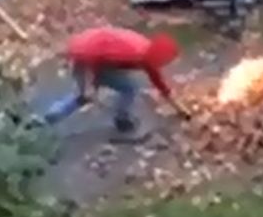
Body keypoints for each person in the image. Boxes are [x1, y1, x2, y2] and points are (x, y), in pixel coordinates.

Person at [42, 27, 191, 142]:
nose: (164, 65)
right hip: (84, 56)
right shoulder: (133, 52)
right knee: (83, 97)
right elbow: (89, 54)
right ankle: (43, 122)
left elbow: (160, 83)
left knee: (129, 87)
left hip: (102, 60)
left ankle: (121, 119)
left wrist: (181, 110)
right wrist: (89, 84)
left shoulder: (148, 54)